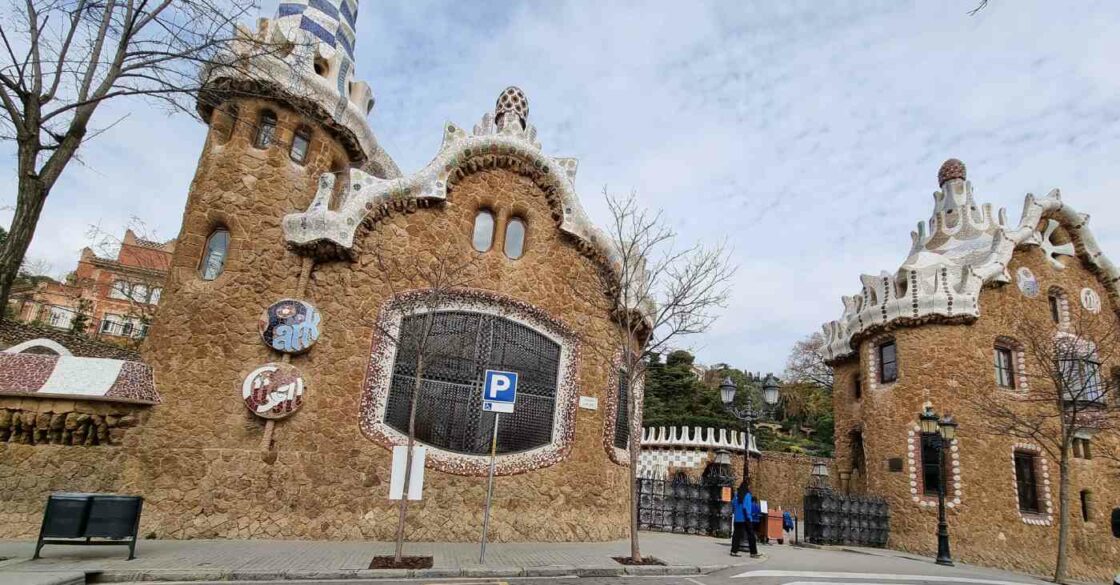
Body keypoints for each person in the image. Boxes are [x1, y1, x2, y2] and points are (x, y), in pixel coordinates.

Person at [729, 484, 748, 556]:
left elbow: (733, 504)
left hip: (736, 518)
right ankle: (735, 551)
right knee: (739, 536)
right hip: (742, 519)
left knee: (735, 535)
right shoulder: (745, 497)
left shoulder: (736, 496)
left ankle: (733, 550)